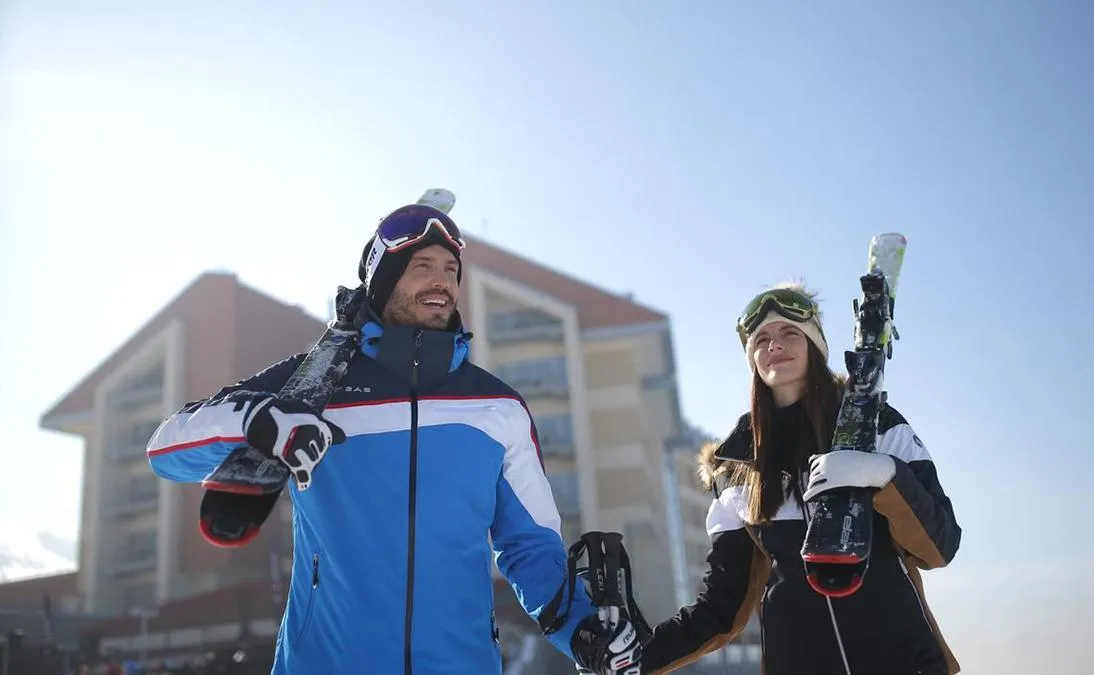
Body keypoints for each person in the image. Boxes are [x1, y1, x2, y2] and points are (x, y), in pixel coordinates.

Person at [145, 202, 642, 674]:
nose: (441, 280)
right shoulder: (311, 389)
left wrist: (581, 631)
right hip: (325, 663)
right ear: (382, 284)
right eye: (422, 266)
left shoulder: (497, 408)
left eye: (450, 269)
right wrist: (261, 422)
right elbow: (168, 447)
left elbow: (529, 545)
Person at [640, 283, 962, 675]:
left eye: (790, 332)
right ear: (752, 359)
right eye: (761, 339)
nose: (775, 344)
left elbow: (940, 545)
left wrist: (885, 476)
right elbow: (721, 609)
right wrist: (635, 660)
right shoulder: (736, 468)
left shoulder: (877, 426)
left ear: (815, 345)